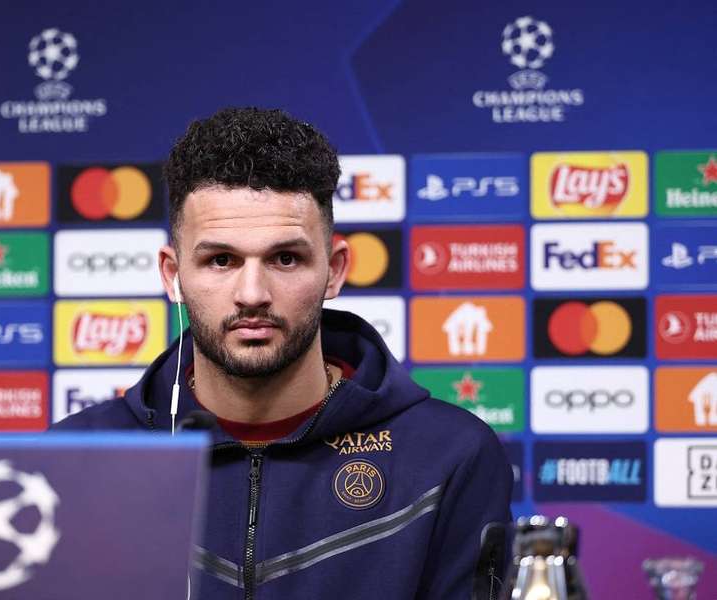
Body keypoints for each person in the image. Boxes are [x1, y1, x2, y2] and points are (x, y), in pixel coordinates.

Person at [52, 107, 513, 599]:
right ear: (173, 275)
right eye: (221, 260)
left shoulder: (448, 456)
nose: (252, 293)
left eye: (285, 258)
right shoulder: (76, 460)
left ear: (334, 270)